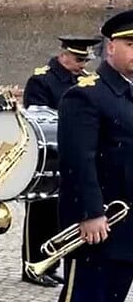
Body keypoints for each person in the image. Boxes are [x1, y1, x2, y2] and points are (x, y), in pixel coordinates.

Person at [45, 9, 133, 302]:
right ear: (110, 47)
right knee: (84, 295)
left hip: (127, 219)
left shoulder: (128, 93)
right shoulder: (87, 93)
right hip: (98, 218)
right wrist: (90, 213)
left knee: (112, 296)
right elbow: (78, 160)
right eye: (130, 44)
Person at [21, 35, 101, 287]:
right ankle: (32, 265)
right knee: (40, 214)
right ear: (63, 55)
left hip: (71, 154)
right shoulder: (42, 80)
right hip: (49, 156)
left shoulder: (83, 81)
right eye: (78, 60)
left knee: (59, 214)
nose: (82, 65)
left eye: (85, 60)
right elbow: (38, 117)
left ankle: (51, 263)